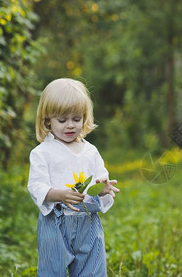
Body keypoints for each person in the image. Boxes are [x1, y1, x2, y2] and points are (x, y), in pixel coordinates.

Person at [28, 78, 120, 276]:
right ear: (47, 121)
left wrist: (104, 189)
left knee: (93, 270)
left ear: (84, 117)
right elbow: (36, 186)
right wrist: (60, 195)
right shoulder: (42, 153)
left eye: (76, 119)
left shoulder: (91, 151)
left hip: (88, 222)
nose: (70, 125)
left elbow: (100, 178)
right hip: (56, 222)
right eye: (62, 120)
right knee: (53, 271)